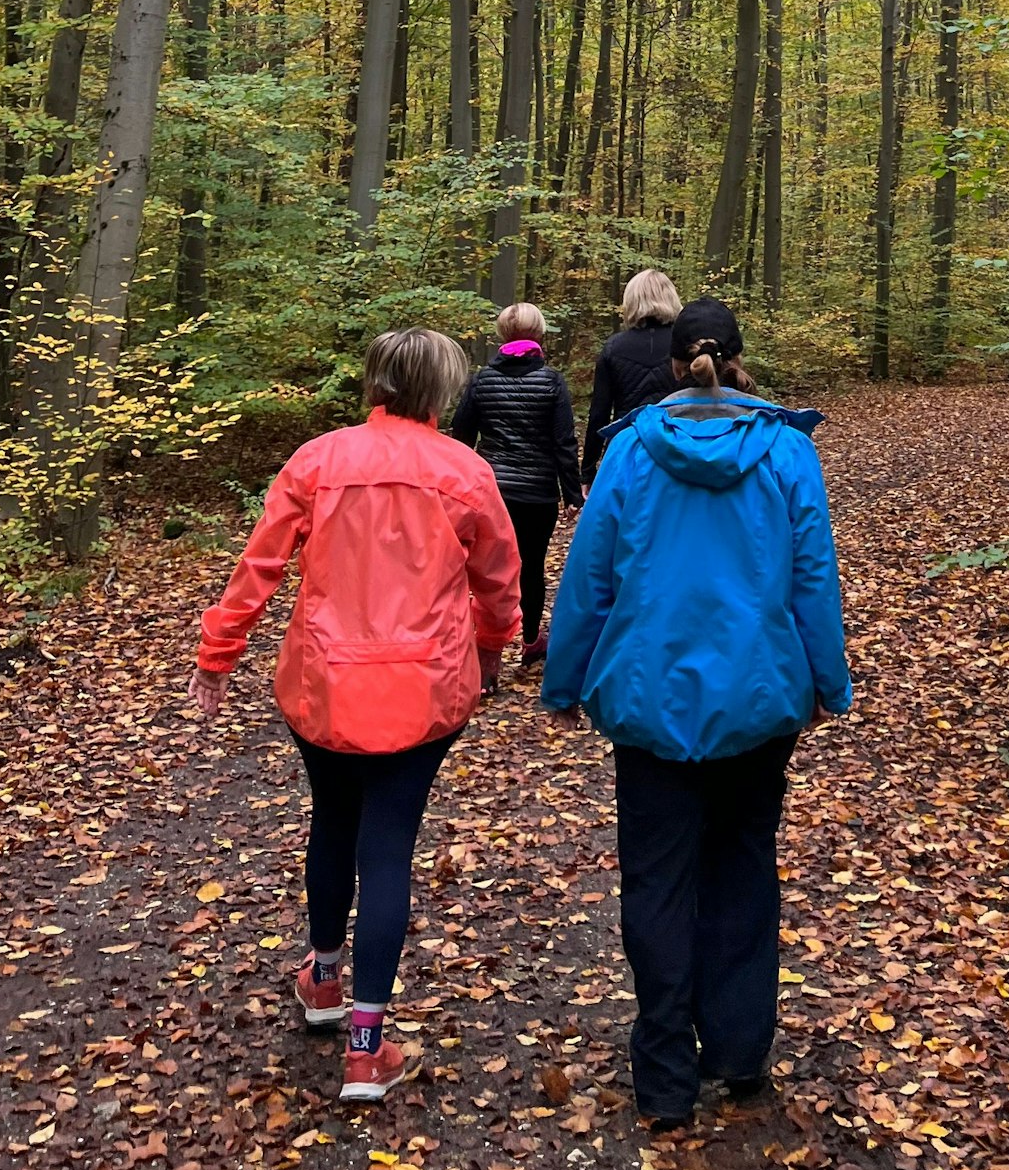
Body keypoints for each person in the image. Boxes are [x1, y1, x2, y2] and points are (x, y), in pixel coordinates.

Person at [540, 298, 853, 1131]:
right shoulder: (786, 451)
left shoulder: (630, 453)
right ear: (738, 362)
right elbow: (812, 578)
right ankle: (742, 1054)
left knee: (657, 880)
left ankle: (666, 1076)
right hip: (760, 702)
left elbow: (589, 580)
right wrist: (831, 683)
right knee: (743, 868)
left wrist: (564, 683)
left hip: (650, 703)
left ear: (673, 366)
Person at [187, 329, 522, 1104]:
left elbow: (259, 566)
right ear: (440, 391)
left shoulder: (319, 460)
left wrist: (218, 655)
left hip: (325, 685)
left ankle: (325, 978)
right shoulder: (464, 471)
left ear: (375, 381)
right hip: (423, 689)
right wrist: (495, 646)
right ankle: (366, 1047)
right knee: (390, 850)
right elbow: (499, 579)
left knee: (333, 822)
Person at [451, 304, 586, 668]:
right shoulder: (551, 381)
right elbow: (563, 442)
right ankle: (529, 642)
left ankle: (482, 647)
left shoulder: (482, 380)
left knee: (483, 569)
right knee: (530, 567)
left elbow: (461, 435)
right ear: (539, 335)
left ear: (501, 337)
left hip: (489, 492)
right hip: (536, 494)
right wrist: (572, 495)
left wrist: (458, 484)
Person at [581, 269, 683, 484]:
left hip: (626, 449)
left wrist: (588, 472)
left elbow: (599, 413)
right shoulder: (685, 345)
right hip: (678, 448)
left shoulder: (614, 347)